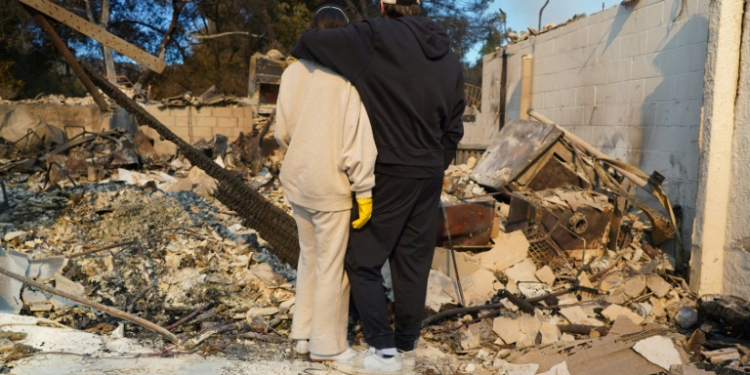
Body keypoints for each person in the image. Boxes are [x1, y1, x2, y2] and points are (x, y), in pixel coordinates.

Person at [291, 0, 465, 374]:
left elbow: (308, 42)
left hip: (387, 170)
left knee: (361, 260)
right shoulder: (448, 54)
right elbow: (454, 128)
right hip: (429, 173)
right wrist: (435, 162)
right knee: (412, 264)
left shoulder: (374, 35)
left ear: (385, 5)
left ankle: (382, 350)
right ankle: (406, 348)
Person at [275, 4, 378, 363]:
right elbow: (357, 145)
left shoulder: (290, 76)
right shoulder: (343, 81)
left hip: (298, 182)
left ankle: (302, 335)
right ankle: (327, 346)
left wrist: (301, 153)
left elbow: (281, 133)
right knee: (332, 267)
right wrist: (364, 190)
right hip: (331, 188)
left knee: (309, 259)